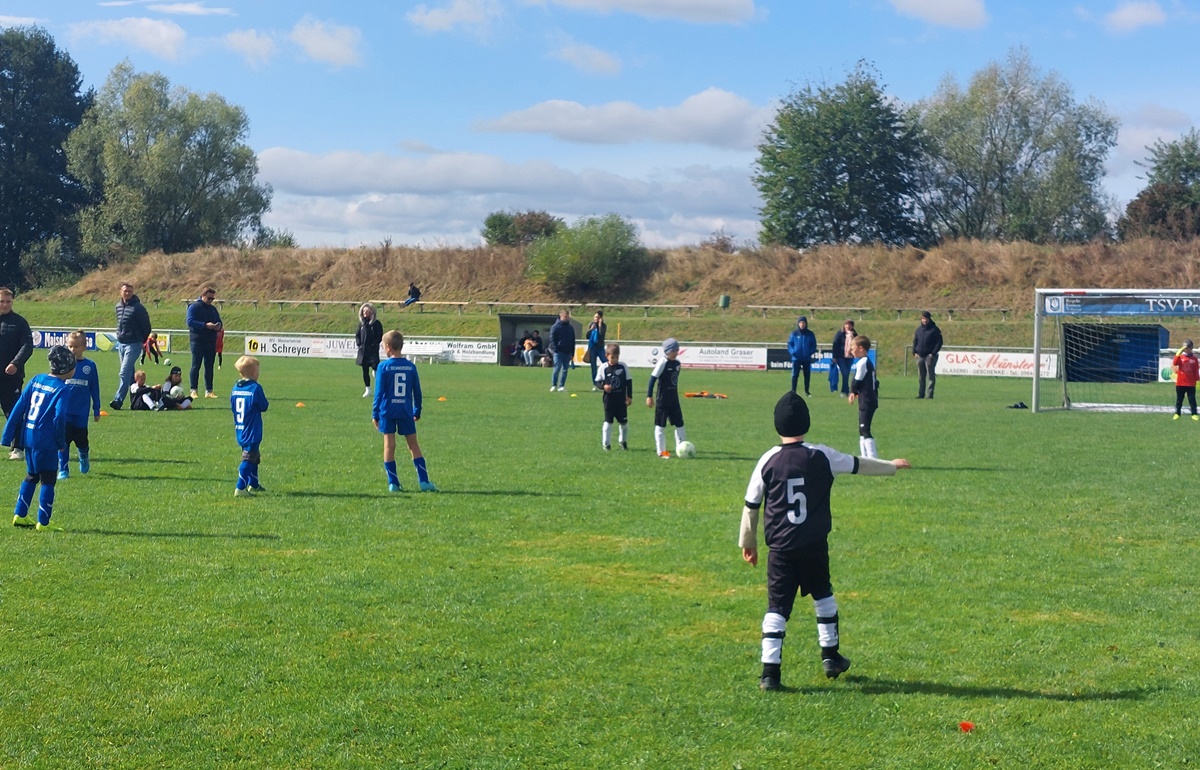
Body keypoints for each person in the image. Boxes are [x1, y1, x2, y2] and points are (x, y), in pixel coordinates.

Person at [739, 391, 911, 690]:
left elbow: (751, 504)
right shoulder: (821, 455)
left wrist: (748, 542)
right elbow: (858, 464)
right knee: (823, 595)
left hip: (780, 548)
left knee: (777, 608)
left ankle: (770, 673)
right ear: (807, 422)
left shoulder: (767, 459)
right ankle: (830, 656)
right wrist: (891, 466)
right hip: (813, 544)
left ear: (777, 426)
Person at [2, 346, 75, 531]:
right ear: (67, 368)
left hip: (29, 436)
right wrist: (60, 442)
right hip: (46, 439)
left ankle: (20, 514)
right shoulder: (62, 389)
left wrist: (7, 435)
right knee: (48, 478)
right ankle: (43, 522)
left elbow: (19, 407)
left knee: (32, 475)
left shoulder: (37, 379)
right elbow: (59, 418)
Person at [373, 330, 438, 492]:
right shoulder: (410, 367)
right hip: (405, 411)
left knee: (389, 446)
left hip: (387, 411)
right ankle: (424, 481)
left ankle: (393, 483)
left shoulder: (383, 367)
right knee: (413, 445)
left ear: (388, 347)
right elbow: (417, 391)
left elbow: (379, 392)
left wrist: (375, 413)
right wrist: (417, 410)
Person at [58, 331, 100, 479]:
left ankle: (83, 456)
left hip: (81, 412)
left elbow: (94, 388)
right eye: (70, 346)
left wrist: (96, 408)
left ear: (84, 347)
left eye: (76, 346)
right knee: (63, 441)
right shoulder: (63, 365)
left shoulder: (90, 366)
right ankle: (63, 469)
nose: (72, 350)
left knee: (82, 441)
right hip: (65, 411)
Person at [0, 287, 34, 460]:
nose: (5, 305)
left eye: (8, 302)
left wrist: (15, 362)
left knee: (13, 412)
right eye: (1, 302)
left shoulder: (19, 322)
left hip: (10, 377)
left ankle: (18, 448)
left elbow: (27, 346)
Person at [110, 282, 152, 411]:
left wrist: (141, 340)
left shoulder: (138, 308)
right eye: (125, 291)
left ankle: (118, 400)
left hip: (133, 344)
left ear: (132, 292)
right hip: (121, 343)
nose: (127, 293)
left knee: (124, 372)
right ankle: (136, 401)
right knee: (130, 375)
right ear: (120, 292)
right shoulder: (118, 306)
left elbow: (146, 326)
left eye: (129, 291)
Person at [231, 355, 269, 496]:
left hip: (240, 427)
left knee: (253, 456)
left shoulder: (236, 387)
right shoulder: (255, 388)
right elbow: (264, 406)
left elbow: (233, 406)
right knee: (248, 457)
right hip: (252, 429)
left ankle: (253, 484)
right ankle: (240, 488)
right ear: (254, 373)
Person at [647, 337, 687, 458]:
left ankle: (681, 448)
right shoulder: (662, 363)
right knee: (660, 424)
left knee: (679, 423)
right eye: (675, 350)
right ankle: (661, 451)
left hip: (674, 398)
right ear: (668, 351)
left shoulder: (677, 364)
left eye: (677, 349)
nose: (677, 352)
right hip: (662, 399)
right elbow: (652, 379)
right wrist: (649, 396)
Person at [186, 286, 223, 399]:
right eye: (209, 298)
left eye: (212, 299)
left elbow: (219, 321)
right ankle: (193, 390)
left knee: (209, 366)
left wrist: (218, 326)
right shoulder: (194, 307)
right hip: (197, 340)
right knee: (196, 365)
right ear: (203, 296)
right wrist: (205, 325)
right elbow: (190, 321)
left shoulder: (212, 309)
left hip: (210, 341)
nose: (211, 301)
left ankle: (209, 391)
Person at [848, 335, 881, 458]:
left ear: (861, 348)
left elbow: (857, 380)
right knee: (862, 429)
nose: (851, 350)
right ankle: (864, 456)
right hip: (866, 399)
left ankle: (873, 457)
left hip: (867, 399)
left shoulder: (863, 362)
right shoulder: (865, 362)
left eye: (852, 347)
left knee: (865, 428)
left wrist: (852, 391)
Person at [595, 343, 632, 451]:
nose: (615, 359)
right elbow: (597, 382)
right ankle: (606, 444)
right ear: (607, 356)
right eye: (612, 357)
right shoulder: (603, 368)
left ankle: (623, 441)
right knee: (608, 421)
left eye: (617, 357)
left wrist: (629, 396)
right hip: (609, 400)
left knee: (624, 422)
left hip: (621, 400)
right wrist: (603, 386)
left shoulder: (623, 366)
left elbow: (629, 382)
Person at [912, 311, 943, 399]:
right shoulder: (919, 330)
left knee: (930, 376)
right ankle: (921, 394)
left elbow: (939, 342)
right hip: (920, 356)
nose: (924, 320)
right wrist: (914, 352)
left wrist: (933, 353)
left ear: (929, 319)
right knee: (921, 376)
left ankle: (929, 394)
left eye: (925, 318)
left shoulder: (934, 330)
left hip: (930, 356)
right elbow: (915, 341)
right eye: (922, 319)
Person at [356, 303, 384, 396]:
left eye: (367, 311)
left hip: (373, 351)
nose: (365, 313)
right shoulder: (361, 324)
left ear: (372, 312)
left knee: (376, 369)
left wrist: (374, 344)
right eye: (364, 311)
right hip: (363, 351)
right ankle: (367, 389)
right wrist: (359, 343)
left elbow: (379, 336)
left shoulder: (376, 324)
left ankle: (381, 388)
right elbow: (357, 335)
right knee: (365, 370)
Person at [787, 316, 818, 396]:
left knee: (807, 375)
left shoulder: (810, 334)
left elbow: (813, 345)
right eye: (800, 323)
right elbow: (790, 344)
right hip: (796, 358)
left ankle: (807, 391)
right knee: (795, 375)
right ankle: (793, 391)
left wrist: (809, 352)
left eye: (803, 323)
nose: (802, 324)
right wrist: (793, 352)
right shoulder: (794, 333)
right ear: (798, 323)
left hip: (806, 358)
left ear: (806, 323)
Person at [549, 310, 575, 392]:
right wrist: (556, 349)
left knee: (565, 369)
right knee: (557, 368)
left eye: (567, 317)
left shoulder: (570, 328)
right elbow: (552, 339)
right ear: (561, 316)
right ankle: (554, 385)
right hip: (558, 352)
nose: (567, 318)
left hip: (567, 352)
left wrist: (572, 352)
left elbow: (573, 341)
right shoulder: (555, 327)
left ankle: (562, 385)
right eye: (565, 317)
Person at [1172, 339, 1199, 421]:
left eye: (1187, 348)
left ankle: (1194, 414)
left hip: (1190, 383)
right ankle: (1177, 413)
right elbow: (1175, 362)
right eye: (1184, 348)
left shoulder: (1194, 359)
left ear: (1191, 348)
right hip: (1180, 383)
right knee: (1179, 399)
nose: (1186, 350)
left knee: (1192, 399)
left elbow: (1196, 371)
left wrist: (1197, 380)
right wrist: (1178, 353)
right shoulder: (1180, 357)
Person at [829, 320, 856, 395]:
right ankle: (844, 390)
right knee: (845, 373)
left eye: (850, 325)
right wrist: (834, 357)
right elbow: (835, 345)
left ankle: (846, 390)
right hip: (841, 356)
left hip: (850, 356)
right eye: (847, 324)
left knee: (847, 372)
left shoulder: (854, 334)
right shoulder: (840, 333)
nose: (848, 326)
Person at [587, 311, 607, 389]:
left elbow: (601, 334)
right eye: (595, 317)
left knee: (605, 363)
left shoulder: (603, 326)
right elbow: (587, 336)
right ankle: (595, 384)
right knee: (593, 367)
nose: (596, 319)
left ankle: (605, 381)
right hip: (592, 348)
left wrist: (600, 325)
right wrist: (591, 330)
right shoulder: (591, 325)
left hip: (600, 348)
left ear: (601, 318)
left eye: (598, 317)